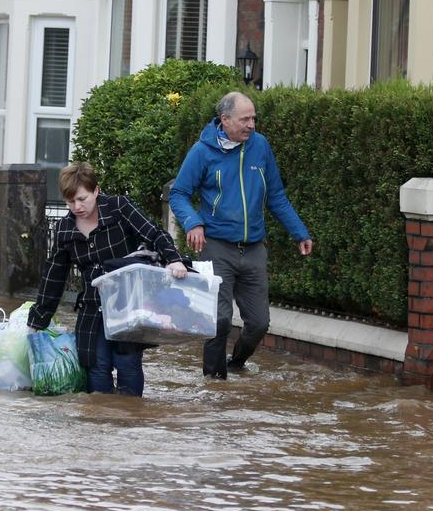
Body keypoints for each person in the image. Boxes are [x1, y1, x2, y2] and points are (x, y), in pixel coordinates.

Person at [169, 91, 313, 379]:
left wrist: (299, 232)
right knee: (220, 320)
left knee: (259, 324)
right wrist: (193, 223)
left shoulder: (260, 147)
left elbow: (276, 195)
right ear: (225, 120)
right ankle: (214, 382)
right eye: (245, 119)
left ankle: (236, 365)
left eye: (254, 118)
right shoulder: (202, 151)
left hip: (254, 248)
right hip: (216, 247)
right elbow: (180, 193)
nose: (252, 125)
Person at [27, 162, 188, 396]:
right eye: (71, 202)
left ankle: (128, 419)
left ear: (96, 191)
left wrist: (174, 259)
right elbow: (54, 277)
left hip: (128, 303)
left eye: (83, 199)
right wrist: (36, 322)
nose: (77, 206)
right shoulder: (64, 230)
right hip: (92, 306)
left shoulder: (119, 208)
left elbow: (154, 233)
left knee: (127, 363)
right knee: (95, 366)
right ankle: (100, 422)